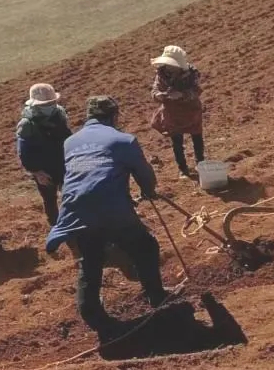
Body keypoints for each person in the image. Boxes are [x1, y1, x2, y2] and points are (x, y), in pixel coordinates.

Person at [46, 95, 176, 335]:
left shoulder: (70, 142)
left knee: (90, 259)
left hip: (75, 209)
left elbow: (84, 174)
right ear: (113, 116)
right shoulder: (124, 140)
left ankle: (91, 312)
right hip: (111, 209)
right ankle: (155, 295)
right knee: (145, 247)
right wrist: (148, 191)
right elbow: (143, 173)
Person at [15, 83, 71, 226]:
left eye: (52, 102)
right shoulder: (27, 124)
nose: (50, 106)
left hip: (63, 163)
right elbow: (24, 153)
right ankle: (55, 224)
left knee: (70, 194)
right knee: (50, 200)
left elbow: (67, 137)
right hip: (44, 170)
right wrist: (37, 172)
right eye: (46, 104)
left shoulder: (60, 113)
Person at [150, 45, 206, 178]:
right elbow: (154, 91)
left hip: (191, 110)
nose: (169, 67)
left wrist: (181, 95)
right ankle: (183, 168)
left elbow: (196, 91)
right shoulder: (161, 75)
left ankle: (201, 163)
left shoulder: (191, 74)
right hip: (172, 113)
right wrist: (159, 95)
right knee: (176, 141)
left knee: (197, 137)